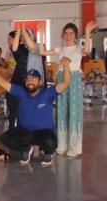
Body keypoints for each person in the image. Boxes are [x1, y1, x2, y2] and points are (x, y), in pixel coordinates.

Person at [0, 56, 72, 165]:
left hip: (43, 132)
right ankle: (26, 149)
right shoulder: (21, 91)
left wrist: (66, 67)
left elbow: (65, 83)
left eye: (34, 79)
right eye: (28, 79)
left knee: (51, 143)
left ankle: (48, 153)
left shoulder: (48, 93)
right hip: (25, 131)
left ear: (40, 82)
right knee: (5, 138)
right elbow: (3, 83)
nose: (30, 81)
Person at [39, 20, 95, 157]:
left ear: (75, 35)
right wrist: (42, 35)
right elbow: (42, 51)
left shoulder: (78, 48)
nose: (69, 36)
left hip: (74, 81)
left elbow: (87, 50)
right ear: (63, 35)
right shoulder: (60, 49)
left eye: (72, 33)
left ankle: (74, 147)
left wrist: (87, 32)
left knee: (74, 111)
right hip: (61, 80)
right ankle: (62, 145)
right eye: (66, 33)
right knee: (61, 110)